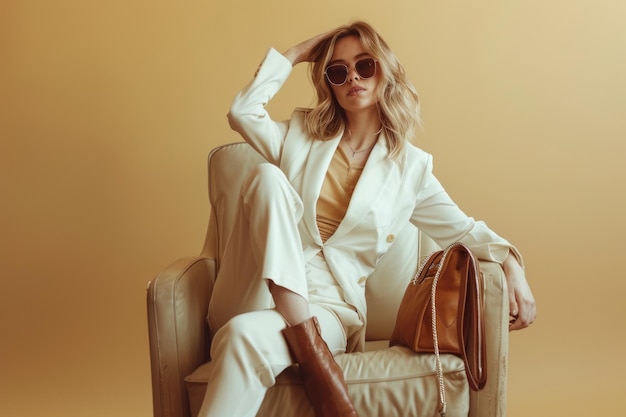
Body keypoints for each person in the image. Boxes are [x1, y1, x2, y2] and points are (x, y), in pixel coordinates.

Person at [198, 21, 536, 417]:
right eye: (338, 71)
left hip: (329, 309)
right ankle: (315, 361)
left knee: (240, 337)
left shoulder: (410, 169)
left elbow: (463, 229)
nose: (353, 78)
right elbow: (242, 111)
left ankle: (308, 347)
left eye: (365, 65)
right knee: (266, 177)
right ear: (329, 83)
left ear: (385, 71)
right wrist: (298, 53)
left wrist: (511, 263)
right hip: (256, 290)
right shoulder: (301, 136)